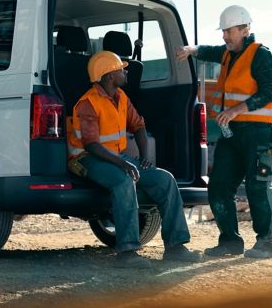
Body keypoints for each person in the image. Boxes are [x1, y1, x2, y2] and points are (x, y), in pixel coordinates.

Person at [67, 51, 202, 268]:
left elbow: (139, 126)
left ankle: (176, 247)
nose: (125, 71)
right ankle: (127, 252)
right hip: (86, 159)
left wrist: (144, 157)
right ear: (109, 75)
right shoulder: (88, 103)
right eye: (121, 69)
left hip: (115, 157)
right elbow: (91, 145)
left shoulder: (121, 97)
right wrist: (123, 163)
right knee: (123, 180)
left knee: (165, 179)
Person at [176, 5, 272, 259]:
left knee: (258, 187)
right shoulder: (228, 53)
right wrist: (193, 50)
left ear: (245, 29)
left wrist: (236, 110)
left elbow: (269, 92)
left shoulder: (262, 55)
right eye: (223, 31)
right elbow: (211, 51)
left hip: (258, 132)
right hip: (231, 133)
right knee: (219, 185)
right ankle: (230, 242)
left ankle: (266, 242)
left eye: (229, 31)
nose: (224, 36)